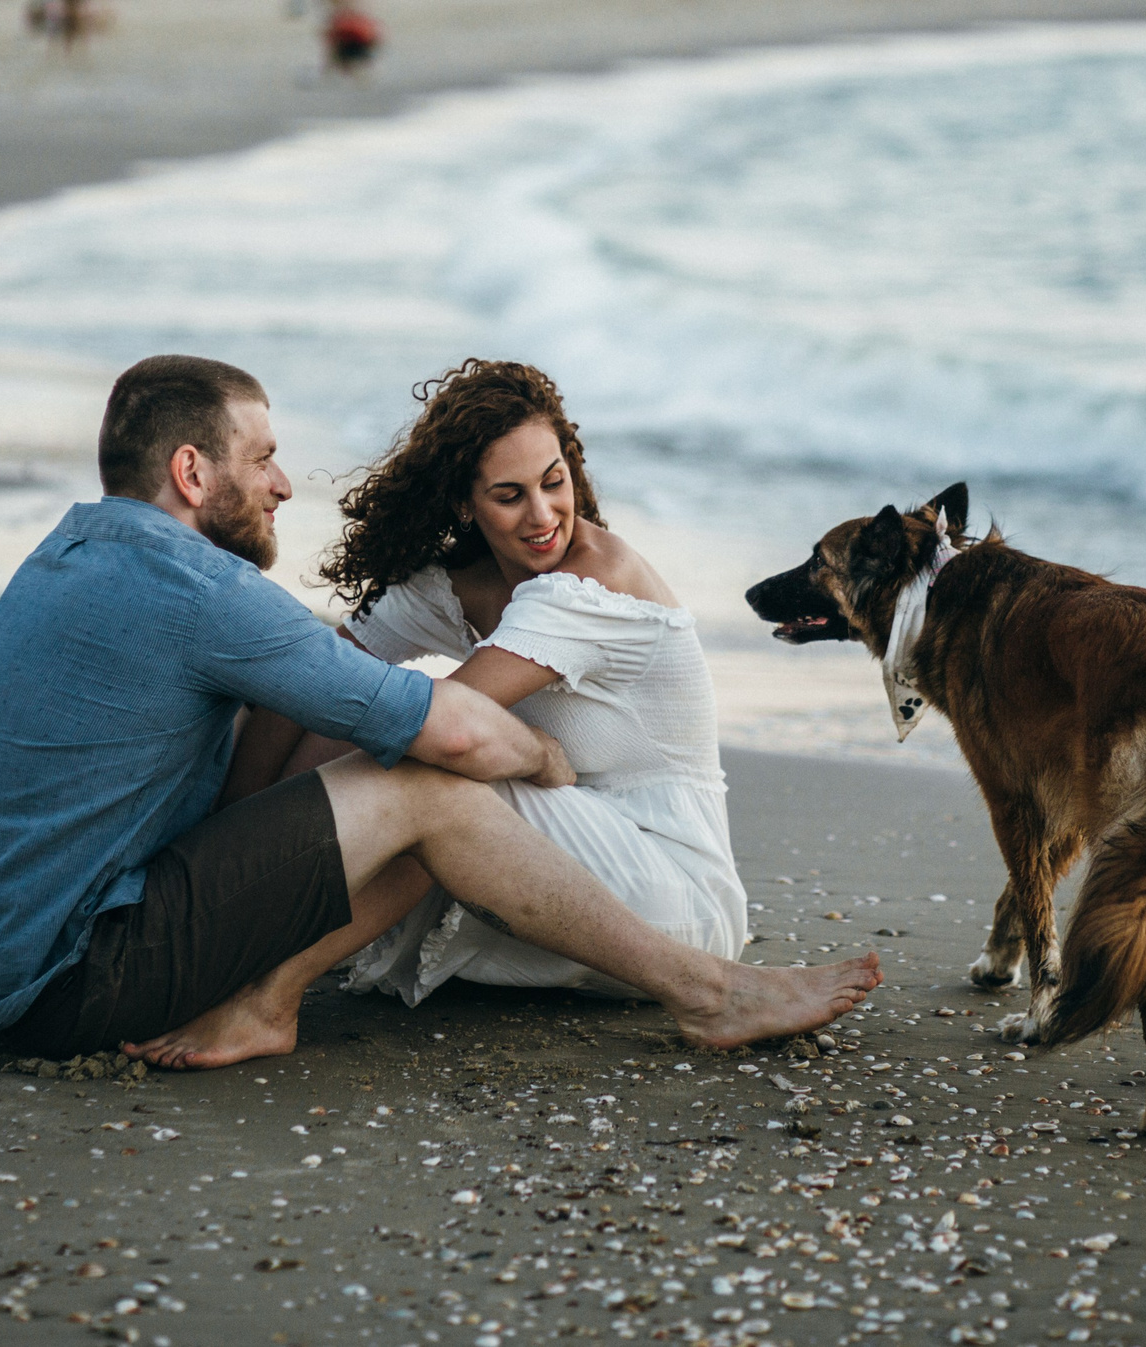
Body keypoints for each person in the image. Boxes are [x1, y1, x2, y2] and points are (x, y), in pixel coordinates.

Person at [0, 355, 876, 1066]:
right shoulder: (203, 594)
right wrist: (540, 756)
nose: (286, 482)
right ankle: (708, 999)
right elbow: (443, 727)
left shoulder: (63, 555)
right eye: (265, 458)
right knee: (433, 773)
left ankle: (268, 984)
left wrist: (259, 855)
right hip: (71, 978)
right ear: (194, 474)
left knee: (407, 763)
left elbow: (345, 690)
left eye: (555, 482)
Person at [138, 361, 746, 1066]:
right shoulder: (453, 587)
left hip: (670, 900)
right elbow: (307, 691)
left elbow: (445, 725)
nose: (544, 515)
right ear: (465, 505)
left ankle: (269, 998)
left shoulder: (591, 584)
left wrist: (536, 757)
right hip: (553, 881)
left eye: (555, 481)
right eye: (510, 495)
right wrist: (223, 839)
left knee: (434, 768)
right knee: (346, 729)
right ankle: (235, 930)